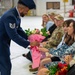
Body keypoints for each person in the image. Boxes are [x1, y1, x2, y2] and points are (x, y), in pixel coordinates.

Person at [0, 0, 39, 75]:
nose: (27, 13)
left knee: (3, 65)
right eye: (26, 11)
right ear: (21, 9)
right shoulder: (10, 16)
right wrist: (30, 43)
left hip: (3, 43)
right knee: (6, 66)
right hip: (1, 44)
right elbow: (14, 35)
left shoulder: (16, 14)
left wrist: (28, 37)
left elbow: (18, 29)